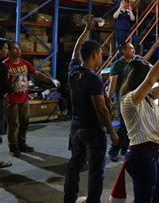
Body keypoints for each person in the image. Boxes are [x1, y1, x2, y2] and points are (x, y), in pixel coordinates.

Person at [64, 16, 119, 203]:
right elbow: (101, 109)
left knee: (75, 164)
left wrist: (86, 29)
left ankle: (69, 198)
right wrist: (112, 132)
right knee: (96, 170)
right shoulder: (93, 78)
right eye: (100, 54)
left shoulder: (73, 72)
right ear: (94, 55)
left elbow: (75, 51)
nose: (101, 57)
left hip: (76, 129)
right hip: (93, 131)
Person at [115, 41, 159, 202]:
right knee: (144, 198)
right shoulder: (129, 99)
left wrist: (149, 65)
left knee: (157, 194)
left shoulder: (148, 96)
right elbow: (150, 81)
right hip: (140, 155)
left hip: (151, 153)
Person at [3, 42, 60, 157]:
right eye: (15, 49)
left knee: (24, 122)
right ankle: (13, 147)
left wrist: (51, 80)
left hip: (23, 99)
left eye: (19, 48)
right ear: (9, 51)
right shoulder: (5, 65)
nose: (18, 50)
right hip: (11, 100)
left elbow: (37, 74)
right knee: (13, 124)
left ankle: (22, 143)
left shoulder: (24, 64)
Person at [107, 41, 159, 162]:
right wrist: (109, 101)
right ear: (123, 51)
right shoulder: (117, 65)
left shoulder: (135, 63)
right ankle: (114, 150)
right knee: (123, 126)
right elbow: (112, 85)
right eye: (131, 49)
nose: (134, 51)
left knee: (130, 126)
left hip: (135, 98)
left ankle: (125, 149)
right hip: (122, 100)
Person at [0, 38, 13, 168]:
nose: (7, 50)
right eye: (5, 48)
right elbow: (7, 87)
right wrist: (11, 84)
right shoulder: (2, 66)